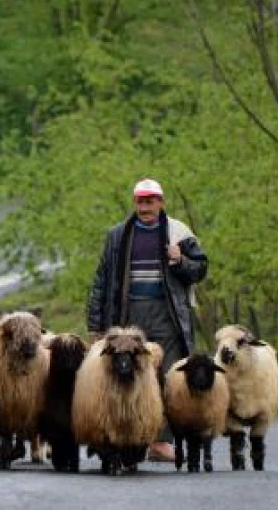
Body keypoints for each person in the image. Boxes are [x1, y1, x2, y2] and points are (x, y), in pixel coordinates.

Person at [87, 177, 209, 462]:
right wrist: (96, 324)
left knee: (168, 375)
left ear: (161, 202)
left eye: (150, 201)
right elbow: (102, 280)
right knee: (132, 374)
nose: (145, 207)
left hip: (167, 313)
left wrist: (181, 260)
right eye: (141, 201)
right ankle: (131, 434)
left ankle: (160, 440)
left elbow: (200, 270)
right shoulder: (118, 235)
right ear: (135, 203)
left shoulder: (178, 232)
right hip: (130, 315)